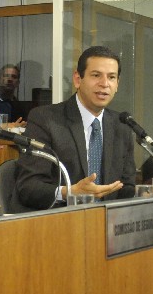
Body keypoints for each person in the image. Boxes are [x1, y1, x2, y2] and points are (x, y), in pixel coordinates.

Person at [15, 46, 136, 209]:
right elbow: (28, 187)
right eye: (96, 75)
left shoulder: (122, 126)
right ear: (78, 79)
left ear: (117, 84)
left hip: (107, 220)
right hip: (61, 219)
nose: (104, 84)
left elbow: (127, 187)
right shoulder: (45, 119)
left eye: (111, 77)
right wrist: (69, 192)